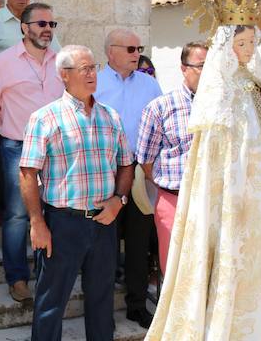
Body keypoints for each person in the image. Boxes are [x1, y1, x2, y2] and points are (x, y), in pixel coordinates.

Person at [146, 24, 261, 340]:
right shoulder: (218, 92)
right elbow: (213, 158)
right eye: (241, 43)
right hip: (228, 201)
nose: (249, 49)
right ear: (225, 47)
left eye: (252, 42)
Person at [20, 44, 133, 341]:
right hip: (63, 223)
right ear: (64, 75)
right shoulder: (45, 118)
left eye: (93, 67)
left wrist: (118, 201)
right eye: (84, 68)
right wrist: (37, 223)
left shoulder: (111, 116)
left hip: (104, 223)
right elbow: (28, 173)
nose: (92, 73)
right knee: (50, 303)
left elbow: (126, 165)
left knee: (101, 301)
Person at [0, 3, 64, 305]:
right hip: (18, 146)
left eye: (52, 24)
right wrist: (12, 129)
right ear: (24, 28)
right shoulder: (2, 63)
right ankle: (17, 278)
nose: (47, 29)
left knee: (54, 211)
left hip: (57, 149)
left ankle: (48, 276)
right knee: (17, 215)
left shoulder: (61, 62)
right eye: (41, 23)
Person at [94, 28, 162, 328]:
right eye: (131, 49)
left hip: (139, 169)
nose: (137, 54)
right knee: (104, 243)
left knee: (138, 242)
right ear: (111, 51)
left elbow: (161, 124)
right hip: (104, 169)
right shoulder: (94, 82)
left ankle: (136, 305)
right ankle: (101, 309)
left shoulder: (150, 85)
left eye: (139, 48)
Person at [136, 40, 207, 273]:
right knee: (176, 273)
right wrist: (168, 188)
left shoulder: (226, 108)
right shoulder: (160, 107)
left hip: (213, 203)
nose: (207, 73)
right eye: (201, 66)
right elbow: (146, 159)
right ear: (183, 68)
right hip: (173, 200)